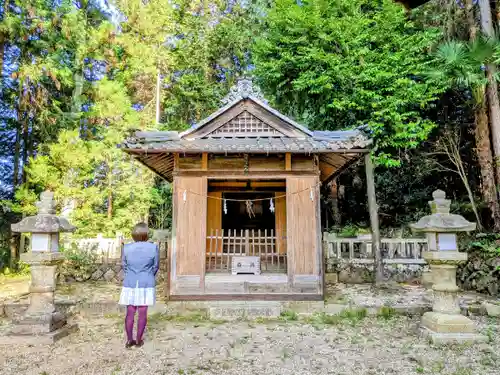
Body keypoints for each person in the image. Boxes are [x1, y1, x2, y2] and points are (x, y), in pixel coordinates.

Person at [119, 222, 159, 348]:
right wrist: (147, 274)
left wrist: (131, 274)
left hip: (130, 282)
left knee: (130, 312)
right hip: (146, 281)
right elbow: (156, 266)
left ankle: (129, 340)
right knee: (143, 312)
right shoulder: (153, 248)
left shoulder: (126, 248)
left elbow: (124, 266)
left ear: (134, 234)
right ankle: (138, 340)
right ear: (146, 234)